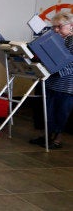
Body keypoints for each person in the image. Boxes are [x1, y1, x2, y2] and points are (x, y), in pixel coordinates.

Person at [29, 11, 73, 149]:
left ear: (70, 25)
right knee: (48, 110)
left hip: (66, 84)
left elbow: (71, 64)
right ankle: (46, 137)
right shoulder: (57, 39)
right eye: (54, 26)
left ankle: (57, 140)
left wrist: (55, 71)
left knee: (61, 112)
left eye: (59, 26)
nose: (55, 29)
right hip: (51, 81)